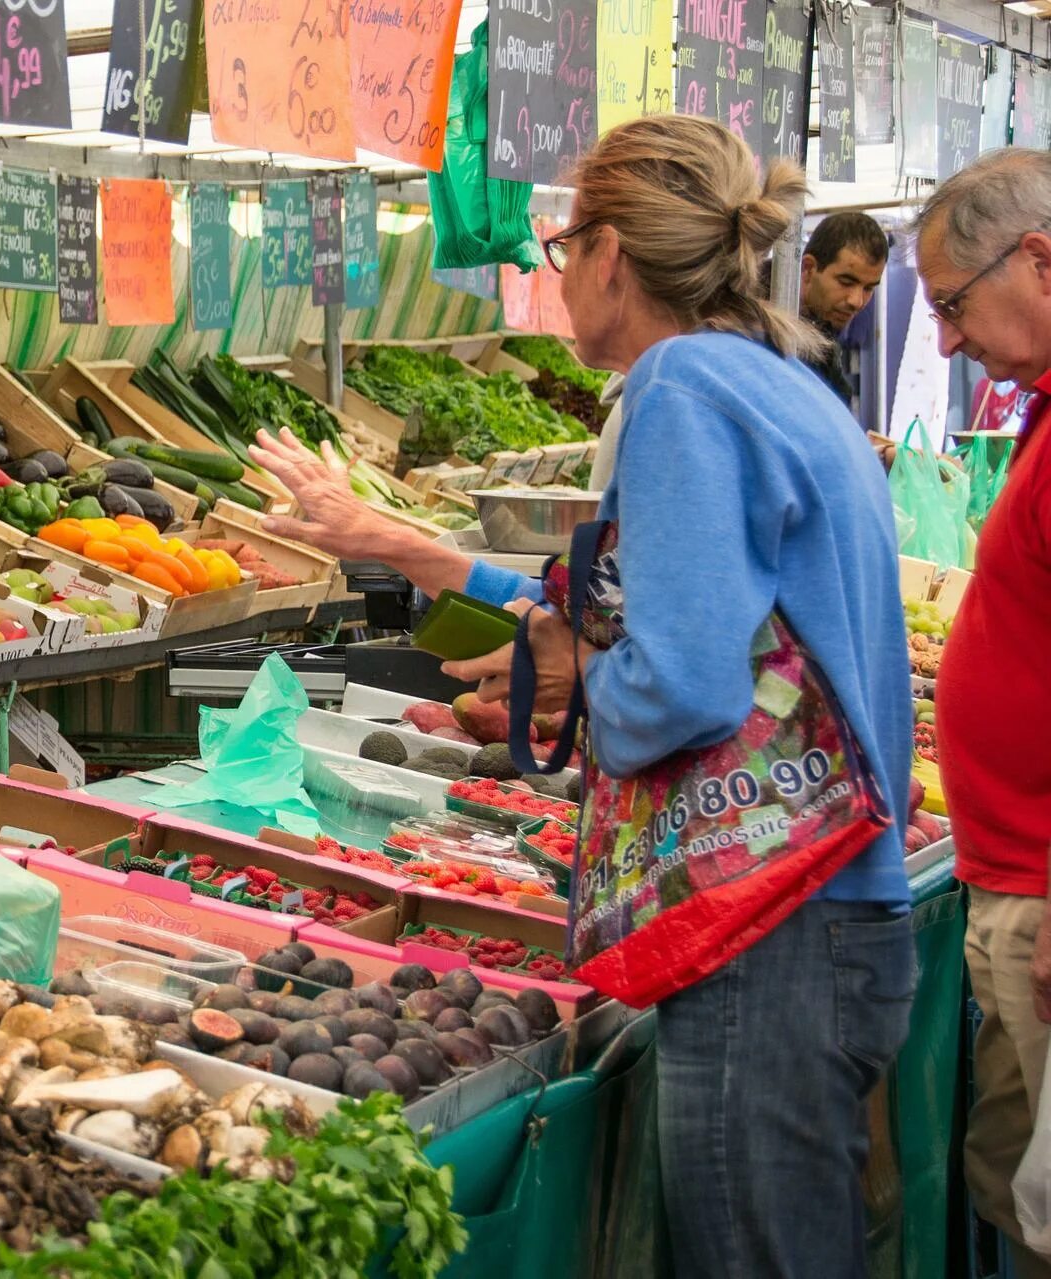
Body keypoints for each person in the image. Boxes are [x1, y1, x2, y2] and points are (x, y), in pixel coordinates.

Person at [255, 114, 913, 1278]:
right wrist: (426, 558)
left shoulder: (681, 388)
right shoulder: (773, 379)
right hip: (826, 915)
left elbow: (682, 684)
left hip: (772, 935)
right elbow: (661, 608)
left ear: (610, 254)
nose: (557, 277)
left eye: (561, 250)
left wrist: (572, 676)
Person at [915, 146, 1051, 1279]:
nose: (947, 341)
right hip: (1015, 872)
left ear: (1040, 261)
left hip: (1044, 894)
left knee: (1037, 1198)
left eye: (953, 305)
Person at [797, 211, 891, 407]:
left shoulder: (823, 336)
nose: (857, 301)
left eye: (868, 288)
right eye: (846, 282)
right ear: (808, 269)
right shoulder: (751, 328)